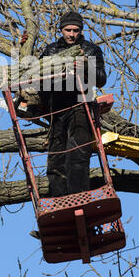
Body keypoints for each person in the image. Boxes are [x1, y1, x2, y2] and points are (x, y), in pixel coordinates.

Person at [38, 11, 107, 198]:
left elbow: (101, 79)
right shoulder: (51, 50)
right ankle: (60, 201)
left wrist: (84, 66)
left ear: (81, 31)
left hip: (81, 106)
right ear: (61, 30)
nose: (71, 34)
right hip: (58, 109)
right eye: (68, 30)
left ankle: (79, 199)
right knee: (55, 159)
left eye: (75, 30)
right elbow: (36, 77)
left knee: (77, 156)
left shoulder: (91, 50)